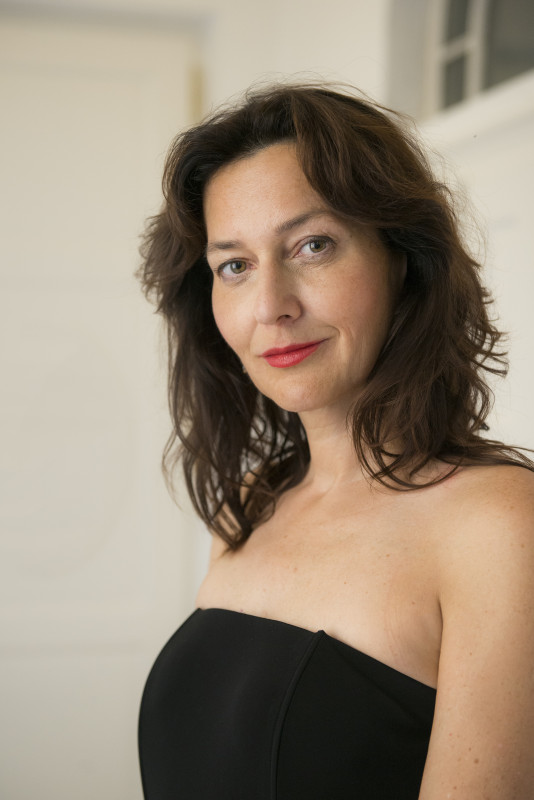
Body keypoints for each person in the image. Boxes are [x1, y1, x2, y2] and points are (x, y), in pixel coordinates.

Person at [137, 83, 534, 799]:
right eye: (235, 265)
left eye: (312, 246)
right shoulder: (250, 504)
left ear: (401, 258)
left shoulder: (500, 525)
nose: (271, 306)